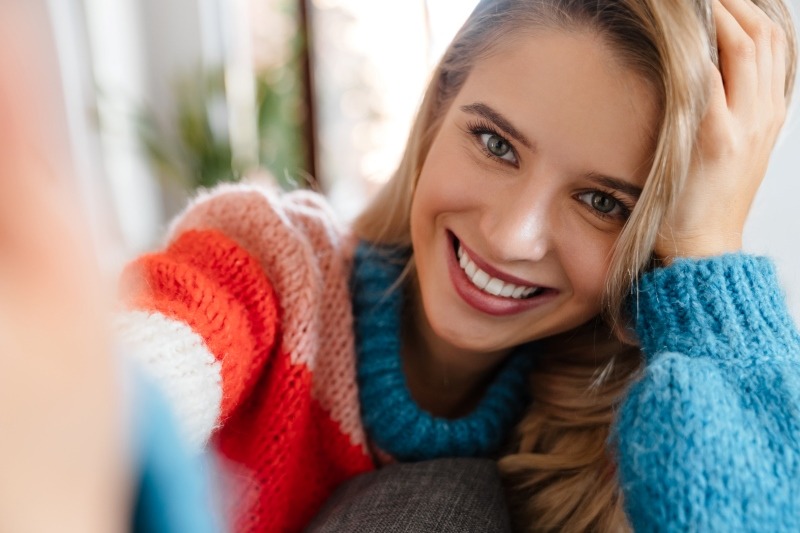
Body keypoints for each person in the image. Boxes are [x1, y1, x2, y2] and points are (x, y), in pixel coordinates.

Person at [2, 0, 798, 532]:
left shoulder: (628, 422)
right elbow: (136, 371)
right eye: (494, 144)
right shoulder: (273, 267)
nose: (513, 234)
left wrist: (707, 261)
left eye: (601, 202)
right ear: (439, 108)